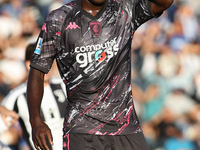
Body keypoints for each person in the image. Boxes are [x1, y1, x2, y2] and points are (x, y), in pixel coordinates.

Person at [27, 0, 174, 149]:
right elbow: (37, 70)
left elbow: (165, 3)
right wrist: (36, 120)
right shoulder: (59, 19)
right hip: (82, 129)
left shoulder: (124, 9)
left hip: (126, 127)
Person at [1, 43, 67, 150]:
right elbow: (2, 124)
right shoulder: (17, 96)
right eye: (42, 62)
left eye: (49, 61)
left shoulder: (64, 85)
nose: (47, 66)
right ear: (28, 65)